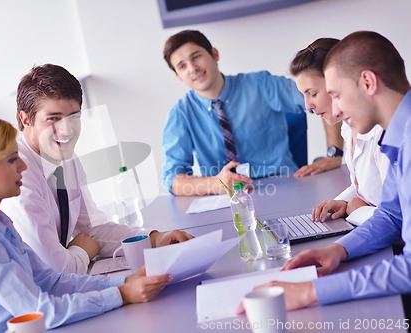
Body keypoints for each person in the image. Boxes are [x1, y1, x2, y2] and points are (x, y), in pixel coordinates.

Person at [0, 112, 171, 333]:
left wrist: (125, 282)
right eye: (13, 160)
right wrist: (121, 295)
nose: (23, 166)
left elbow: (51, 280)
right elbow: (37, 310)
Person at [237, 30, 411, 312]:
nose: (337, 110)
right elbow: (392, 215)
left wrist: (311, 292)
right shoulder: (399, 136)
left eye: (336, 95)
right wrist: (338, 250)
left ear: (367, 82)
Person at [0, 64, 193, 275]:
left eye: (74, 116)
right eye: (53, 119)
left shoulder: (68, 159)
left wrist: (155, 239)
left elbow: (93, 229)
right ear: (26, 119)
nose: (66, 130)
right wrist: (82, 251)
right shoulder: (18, 175)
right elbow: (56, 269)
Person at [161, 30, 343, 196]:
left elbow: (326, 95)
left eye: (196, 57)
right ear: (178, 76)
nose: (192, 68)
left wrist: (335, 154)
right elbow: (173, 179)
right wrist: (214, 183)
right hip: (227, 198)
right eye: (182, 66)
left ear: (214, 54)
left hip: (283, 186)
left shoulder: (261, 85)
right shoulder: (180, 114)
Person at [289, 38, 389, 225]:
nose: (307, 105)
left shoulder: (381, 132)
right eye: (304, 95)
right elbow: (361, 188)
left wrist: (357, 211)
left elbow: (398, 220)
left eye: (313, 93)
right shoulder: (347, 127)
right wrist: (342, 201)